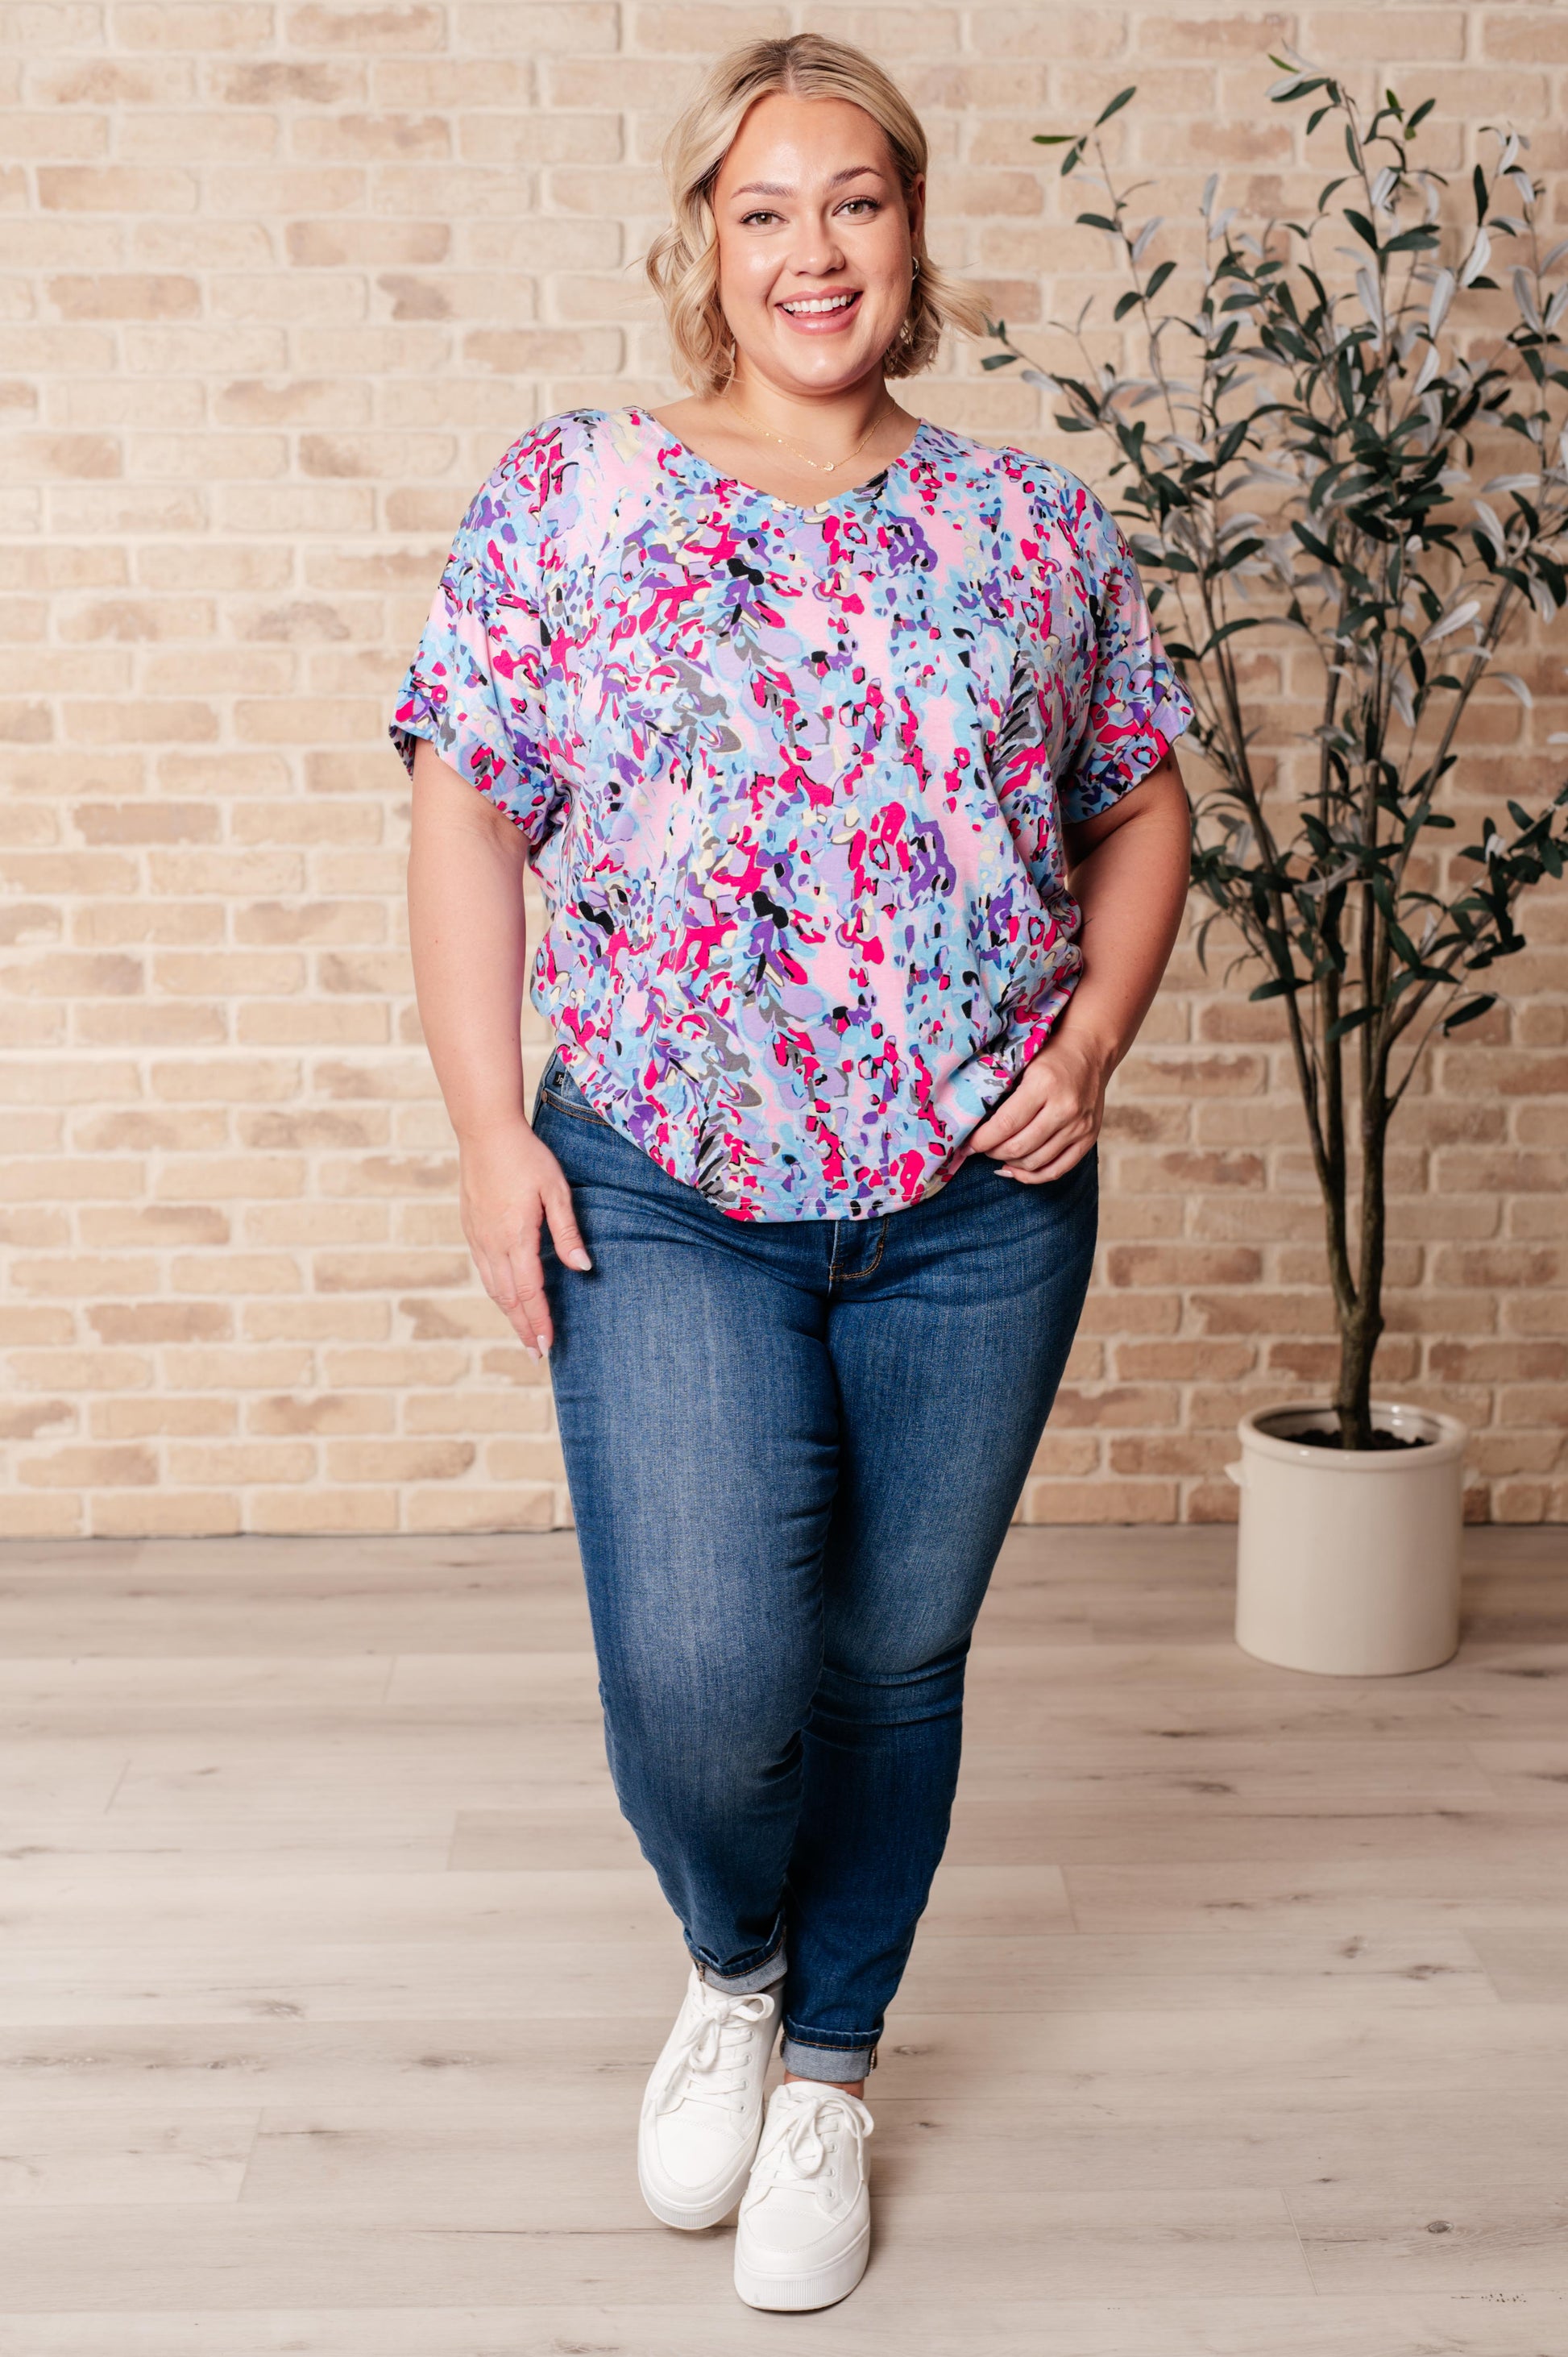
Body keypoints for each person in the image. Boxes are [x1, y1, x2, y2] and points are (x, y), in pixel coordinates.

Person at [396, 31, 1193, 2314]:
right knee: (706, 1671)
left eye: (854, 202)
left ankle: (831, 2062)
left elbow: (1139, 796)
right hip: (659, 1180)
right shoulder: (575, 498)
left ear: (912, 232)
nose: (812, 250)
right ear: (707, 244)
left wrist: (1094, 1041)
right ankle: (732, 1967)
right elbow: (464, 803)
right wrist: (486, 1131)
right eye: (766, 210)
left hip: (974, 1209)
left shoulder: (1033, 526)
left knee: (892, 1655)